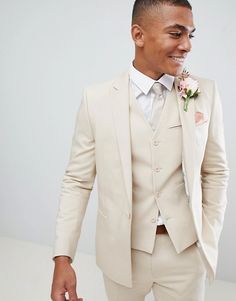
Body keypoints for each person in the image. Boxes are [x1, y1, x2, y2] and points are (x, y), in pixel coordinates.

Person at [51, 0, 229, 300]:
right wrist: (62, 258)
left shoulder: (204, 93)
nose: (186, 46)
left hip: (185, 254)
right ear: (138, 35)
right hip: (122, 254)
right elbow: (78, 182)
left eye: (191, 35)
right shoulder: (96, 100)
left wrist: (207, 233)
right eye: (176, 33)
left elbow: (216, 171)